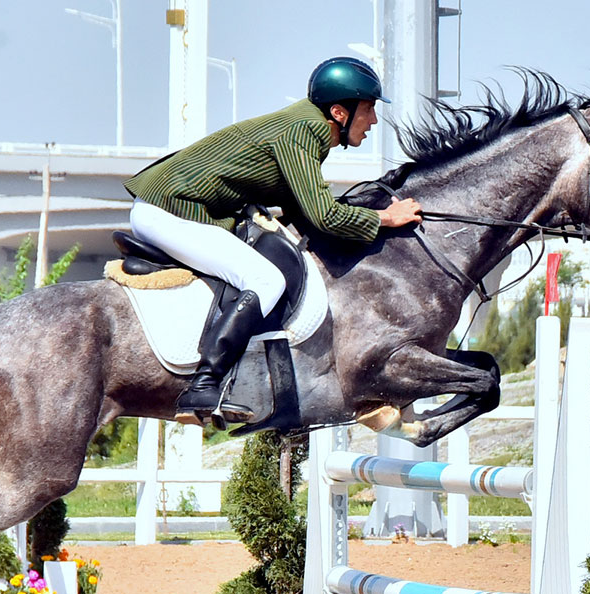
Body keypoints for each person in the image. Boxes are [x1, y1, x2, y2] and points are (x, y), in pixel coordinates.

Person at [125, 55, 423, 425]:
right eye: (368, 109)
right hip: (168, 211)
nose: (374, 120)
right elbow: (324, 215)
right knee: (266, 279)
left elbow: (300, 209)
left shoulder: (306, 127)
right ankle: (205, 384)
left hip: (170, 207)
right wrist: (384, 218)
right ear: (339, 112)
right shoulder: (305, 131)